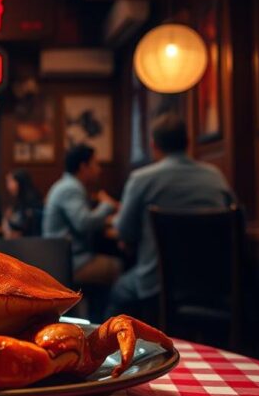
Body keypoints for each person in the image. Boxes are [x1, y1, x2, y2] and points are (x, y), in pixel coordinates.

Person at [108, 114, 236, 321]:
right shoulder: (215, 176)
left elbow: (124, 231)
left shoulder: (141, 179)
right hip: (215, 284)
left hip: (156, 286)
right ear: (188, 142)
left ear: (153, 145)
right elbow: (236, 219)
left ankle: (109, 348)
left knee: (120, 291)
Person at [43, 144, 119, 321]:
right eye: (96, 164)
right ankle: (104, 323)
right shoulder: (70, 188)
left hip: (64, 256)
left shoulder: (67, 185)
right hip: (69, 262)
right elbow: (84, 223)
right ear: (83, 167)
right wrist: (107, 205)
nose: (99, 170)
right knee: (117, 268)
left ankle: (97, 318)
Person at [3, 169, 43, 238]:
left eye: (10, 182)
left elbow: (24, 226)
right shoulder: (18, 201)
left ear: (19, 182)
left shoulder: (31, 200)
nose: (8, 186)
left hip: (30, 242)